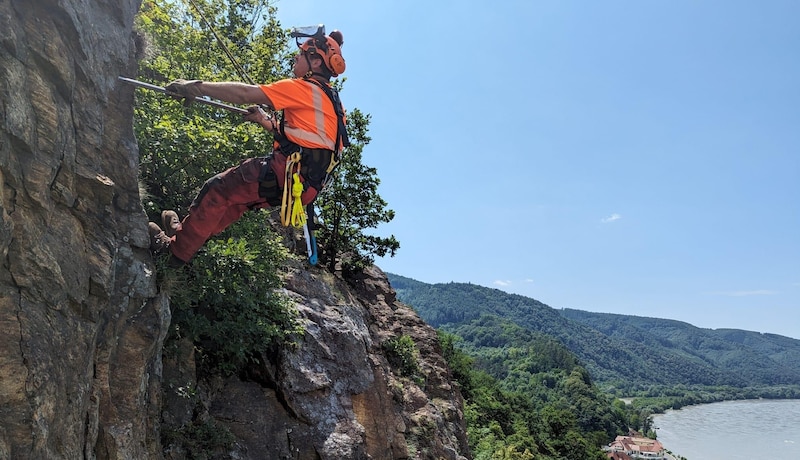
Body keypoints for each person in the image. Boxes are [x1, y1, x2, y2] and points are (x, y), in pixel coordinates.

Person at [148, 28, 349, 267]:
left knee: (217, 189)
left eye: (302, 54)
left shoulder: (303, 88)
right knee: (231, 205)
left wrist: (197, 87)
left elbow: (245, 93)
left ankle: (172, 255)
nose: (296, 57)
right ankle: (180, 235)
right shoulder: (335, 106)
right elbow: (306, 140)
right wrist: (265, 121)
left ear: (316, 61)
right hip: (302, 188)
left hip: (285, 173)